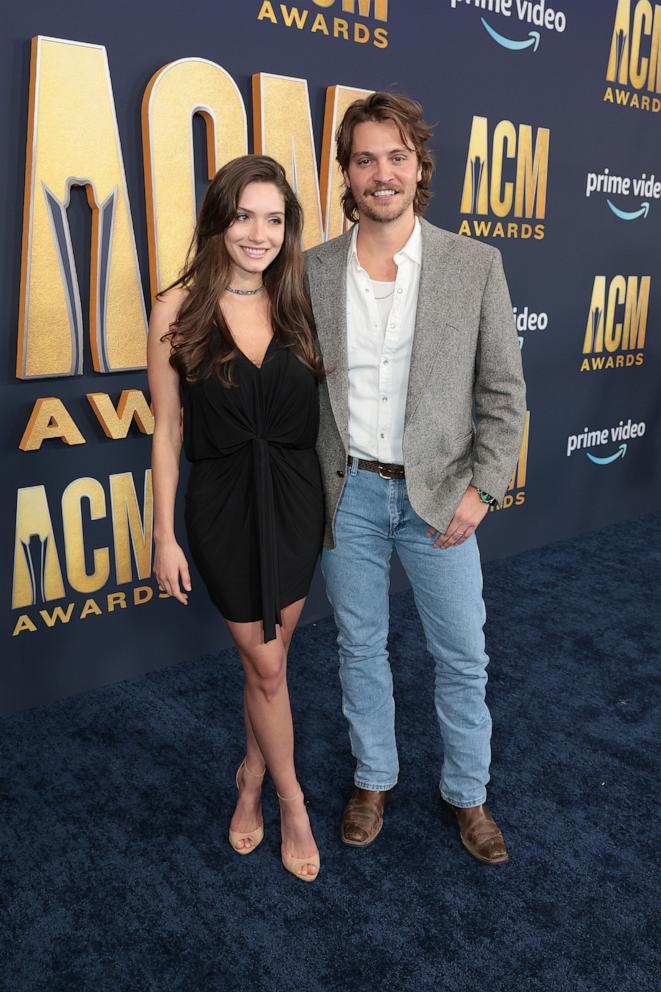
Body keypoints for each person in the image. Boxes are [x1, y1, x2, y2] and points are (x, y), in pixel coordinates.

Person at [305, 93, 526, 864]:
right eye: (364, 159)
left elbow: (503, 393)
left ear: (419, 166)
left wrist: (482, 489)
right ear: (346, 173)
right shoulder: (311, 271)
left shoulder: (473, 265)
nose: (381, 173)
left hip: (439, 496)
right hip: (349, 494)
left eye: (395, 156)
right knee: (358, 647)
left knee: (462, 653)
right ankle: (374, 778)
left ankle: (468, 794)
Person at [148, 155, 323, 882]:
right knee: (268, 665)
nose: (260, 233)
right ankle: (292, 801)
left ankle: (249, 776)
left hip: (294, 497)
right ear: (219, 218)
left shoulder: (300, 298)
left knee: (271, 668)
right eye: (245, 215)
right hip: (220, 504)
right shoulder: (176, 307)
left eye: (275, 219)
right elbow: (166, 429)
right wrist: (163, 535)